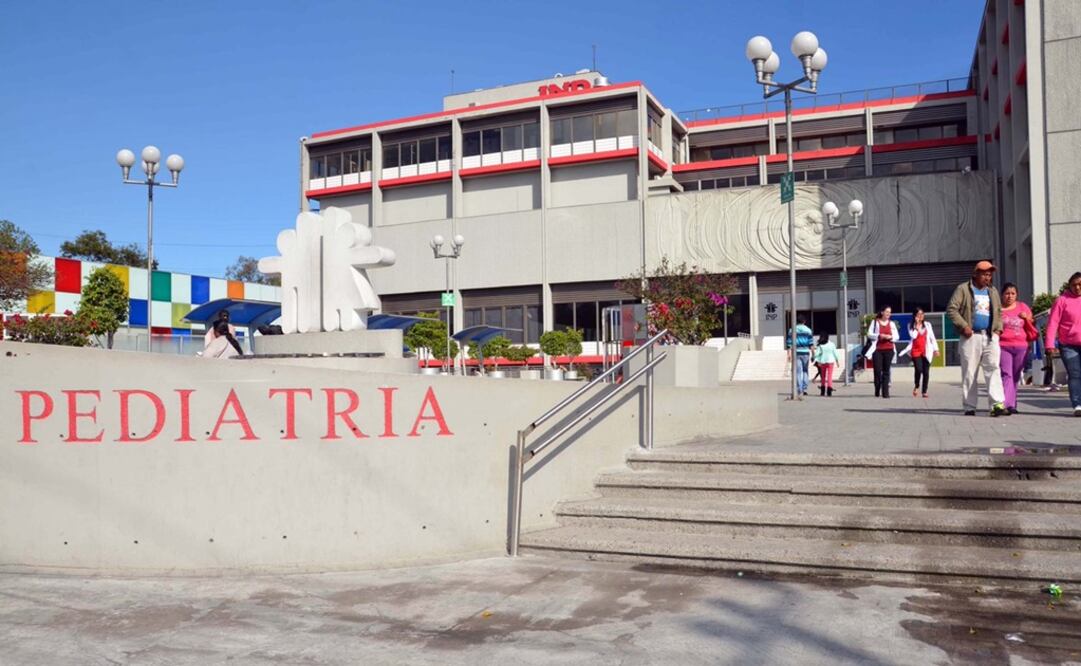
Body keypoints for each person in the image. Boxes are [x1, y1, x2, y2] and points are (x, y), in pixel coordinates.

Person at [946, 260, 1007, 416]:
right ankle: (969, 406)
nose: (987, 277)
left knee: (993, 368)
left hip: (990, 336)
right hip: (971, 336)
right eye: (984, 274)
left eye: (989, 275)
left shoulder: (992, 291)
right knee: (970, 372)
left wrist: (998, 330)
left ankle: (996, 404)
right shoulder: (963, 289)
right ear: (975, 274)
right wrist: (964, 326)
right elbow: (952, 310)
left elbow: (999, 312)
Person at [1044, 271, 1081, 417]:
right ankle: (1077, 404)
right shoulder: (1062, 300)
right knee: (1075, 374)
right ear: (1069, 285)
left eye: (1080, 285)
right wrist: (1049, 344)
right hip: (1068, 344)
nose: (1077, 288)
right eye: (1074, 285)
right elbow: (1053, 323)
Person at [998, 283, 1037, 414]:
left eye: (1013, 293)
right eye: (1007, 293)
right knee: (1006, 374)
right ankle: (1007, 404)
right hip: (1003, 346)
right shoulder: (998, 309)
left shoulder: (1022, 306)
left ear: (1017, 295)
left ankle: (1013, 403)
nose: (1010, 296)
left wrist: (1026, 318)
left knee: (1015, 375)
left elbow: (1031, 323)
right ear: (1002, 295)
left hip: (1021, 346)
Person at [898, 307, 938, 398]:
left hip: (926, 350)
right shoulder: (910, 325)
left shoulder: (927, 324)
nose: (921, 316)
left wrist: (936, 349)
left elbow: (932, 337)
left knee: (926, 372)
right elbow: (914, 336)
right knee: (918, 369)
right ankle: (917, 386)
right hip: (916, 351)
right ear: (915, 316)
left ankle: (924, 391)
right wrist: (916, 326)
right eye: (919, 314)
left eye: (922, 314)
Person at [865, 306, 899, 398]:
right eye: (887, 311)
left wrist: (890, 337)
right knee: (877, 370)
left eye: (890, 312)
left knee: (886, 371)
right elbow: (869, 334)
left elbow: (896, 336)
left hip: (889, 349)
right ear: (882, 312)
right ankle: (877, 387)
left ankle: (885, 392)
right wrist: (879, 335)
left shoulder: (891, 323)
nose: (889, 314)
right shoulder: (875, 322)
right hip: (877, 350)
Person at [785, 316, 815, 397]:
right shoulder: (808, 330)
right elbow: (811, 343)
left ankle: (799, 389)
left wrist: (789, 354)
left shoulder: (792, 330)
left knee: (798, 372)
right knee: (805, 370)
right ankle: (804, 388)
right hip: (805, 352)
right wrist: (813, 354)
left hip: (796, 352)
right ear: (804, 321)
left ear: (796, 321)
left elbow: (789, 344)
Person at [812, 332, 841, 397]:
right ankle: (829, 391)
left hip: (822, 362)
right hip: (831, 361)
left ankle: (822, 391)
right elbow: (835, 353)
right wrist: (837, 361)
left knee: (823, 377)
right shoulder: (832, 344)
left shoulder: (820, 345)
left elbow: (817, 354)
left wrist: (815, 359)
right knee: (829, 376)